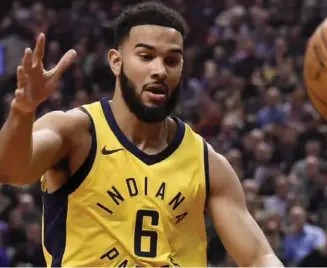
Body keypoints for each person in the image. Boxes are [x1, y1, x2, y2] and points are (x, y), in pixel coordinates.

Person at [0, 2, 283, 267]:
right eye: (146, 57)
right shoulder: (77, 132)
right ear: (116, 61)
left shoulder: (206, 162)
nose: (159, 70)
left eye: (172, 60)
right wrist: (22, 111)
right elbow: (11, 171)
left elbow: (259, 256)